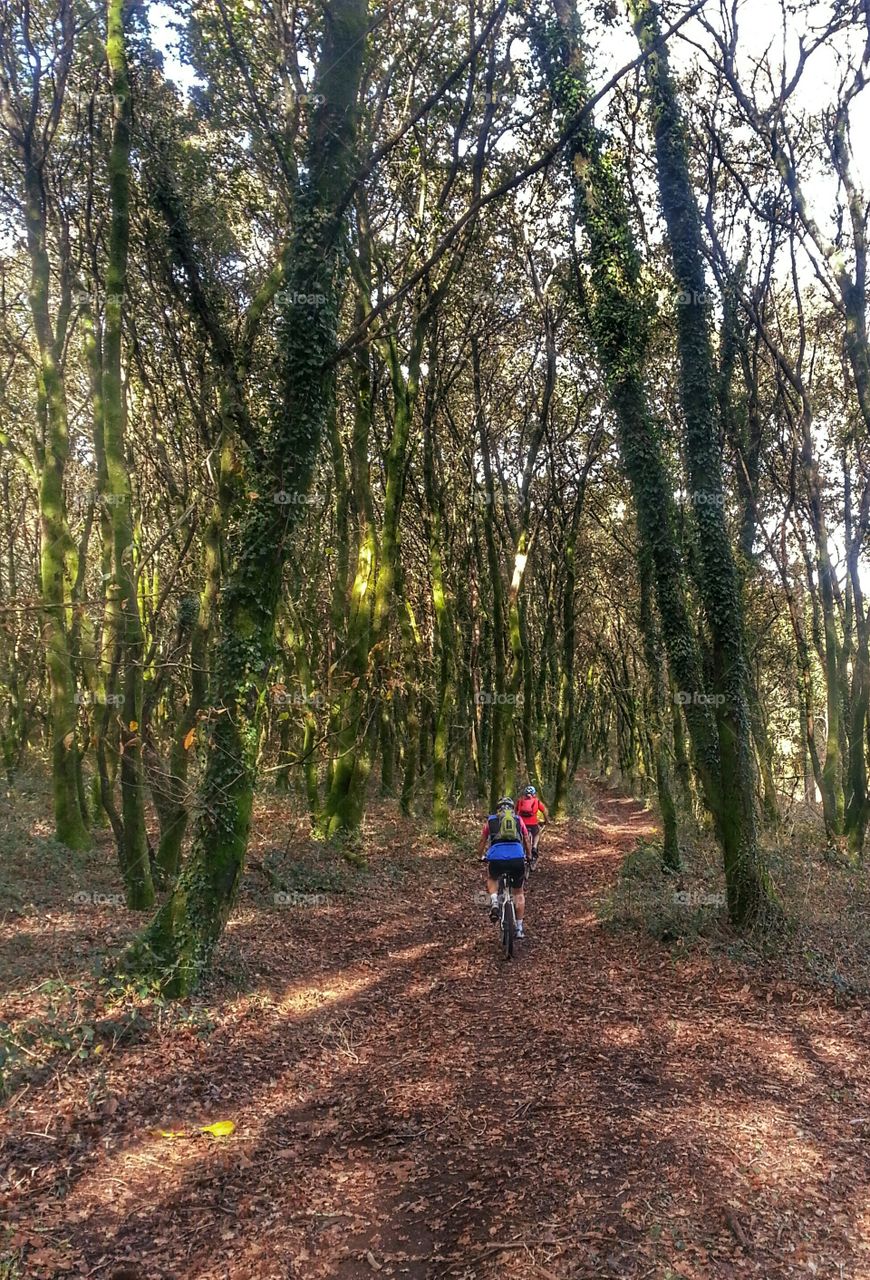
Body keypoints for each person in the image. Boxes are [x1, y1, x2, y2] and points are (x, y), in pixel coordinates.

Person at [476, 796, 531, 938]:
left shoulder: (491, 820)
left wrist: (479, 856)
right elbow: (526, 839)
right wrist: (529, 856)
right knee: (518, 892)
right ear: (512, 809)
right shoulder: (519, 820)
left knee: (492, 877)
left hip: (496, 858)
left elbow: (483, 840)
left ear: (498, 808)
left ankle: (494, 901)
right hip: (517, 857)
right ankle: (519, 928)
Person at [516, 785, 549, 868]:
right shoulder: (536, 801)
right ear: (534, 794)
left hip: (521, 823)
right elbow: (544, 811)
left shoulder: (520, 801)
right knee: (537, 834)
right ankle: (534, 847)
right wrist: (546, 820)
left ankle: (519, 849)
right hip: (533, 823)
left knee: (520, 835)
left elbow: (515, 811)